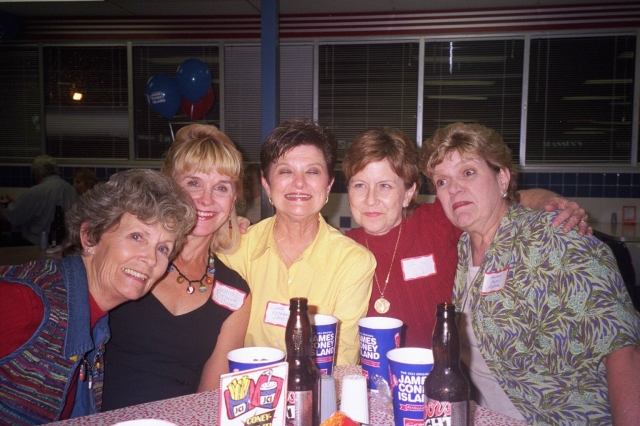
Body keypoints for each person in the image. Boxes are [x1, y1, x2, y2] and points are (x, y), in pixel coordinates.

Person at [421, 122, 640, 424]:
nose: (454, 188)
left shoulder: (557, 238)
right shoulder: (461, 248)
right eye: (442, 181)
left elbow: (624, 353)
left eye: (468, 172)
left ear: (502, 178)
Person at [343, 127, 592, 348]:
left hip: (442, 379)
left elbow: (506, 199)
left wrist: (551, 204)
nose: (371, 199)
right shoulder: (341, 249)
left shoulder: (437, 221)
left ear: (409, 193)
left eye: (385, 185)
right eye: (359, 185)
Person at [0, 169, 195, 424]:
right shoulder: (28, 301)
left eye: (162, 248)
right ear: (90, 236)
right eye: (136, 237)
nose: (150, 259)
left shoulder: (98, 322)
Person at [102, 124, 252, 410]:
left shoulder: (235, 292)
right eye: (193, 183)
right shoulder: (130, 254)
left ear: (234, 199)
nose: (206, 200)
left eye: (221, 187)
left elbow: (208, 399)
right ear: (169, 186)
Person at [220, 118, 376, 365]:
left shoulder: (354, 262)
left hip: (315, 396)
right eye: (285, 171)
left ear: (328, 186)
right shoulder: (236, 248)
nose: (299, 183)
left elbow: (342, 360)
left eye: (312, 171)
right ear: (267, 186)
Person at [0, 155, 77, 246]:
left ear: (37, 173)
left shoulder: (36, 191)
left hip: (36, 246)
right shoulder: (71, 190)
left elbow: (9, 218)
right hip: (65, 245)